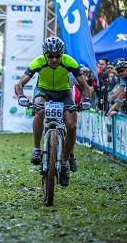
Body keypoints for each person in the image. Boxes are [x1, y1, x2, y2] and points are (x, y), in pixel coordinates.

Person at [14, 37, 92, 187]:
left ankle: (63, 161)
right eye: (50, 56)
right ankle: (37, 148)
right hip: (43, 91)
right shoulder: (37, 62)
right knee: (39, 110)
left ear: (62, 54)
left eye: (58, 56)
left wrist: (86, 100)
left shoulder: (70, 62)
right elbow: (19, 84)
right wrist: (21, 96)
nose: (54, 59)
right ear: (45, 54)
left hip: (64, 93)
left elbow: (85, 87)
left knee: (72, 126)